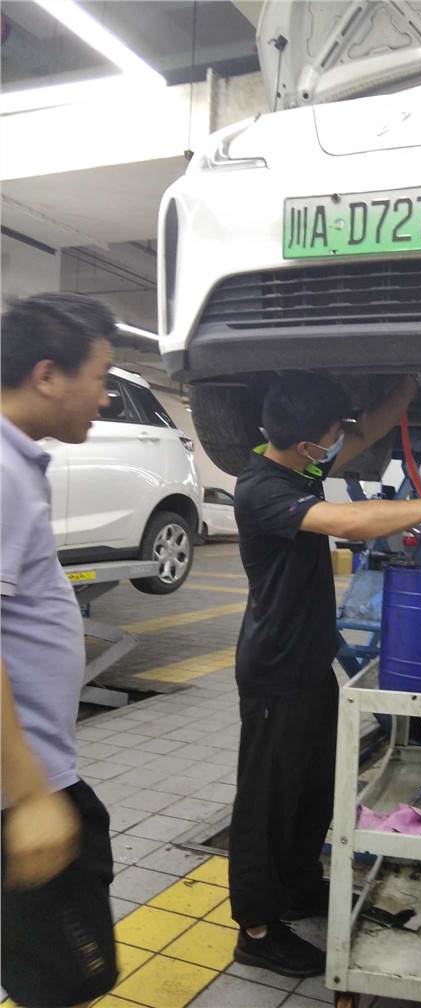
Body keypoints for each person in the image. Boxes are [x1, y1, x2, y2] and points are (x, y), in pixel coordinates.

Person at [229, 372, 421, 978]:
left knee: (313, 788)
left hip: (309, 665)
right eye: (331, 435)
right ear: (306, 444)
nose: (339, 441)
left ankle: (297, 887)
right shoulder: (261, 488)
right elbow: (349, 522)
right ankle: (256, 929)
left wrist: (409, 382)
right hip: (273, 674)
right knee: (266, 804)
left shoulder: (300, 468)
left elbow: (367, 430)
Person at [1, 293, 118, 1007]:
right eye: (100, 378)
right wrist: (31, 796)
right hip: (24, 788)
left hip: (30, 780)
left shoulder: (17, 464)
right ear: (47, 375)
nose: (105, 398)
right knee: (69, 982)